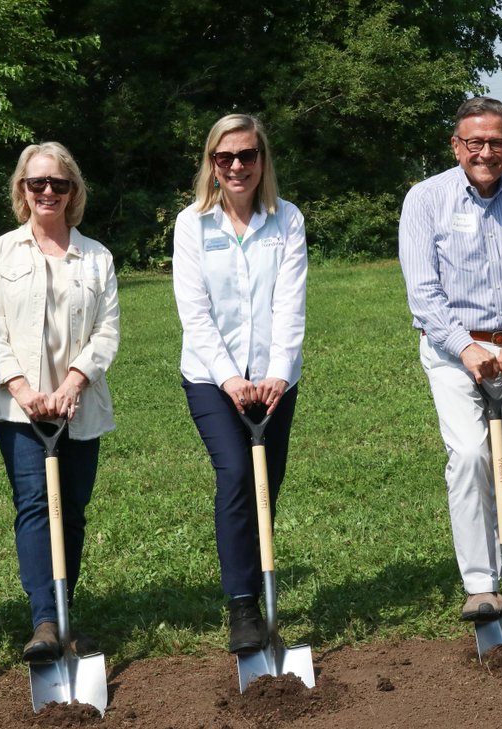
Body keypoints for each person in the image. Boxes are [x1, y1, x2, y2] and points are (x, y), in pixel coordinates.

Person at [398, 97, 502, 623]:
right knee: (470, 456)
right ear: (456, 145)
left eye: (496, 142)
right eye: (475, 142)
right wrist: (465, 347)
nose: (486, 152)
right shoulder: (426, 199)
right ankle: (480, 586)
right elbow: (422, 289)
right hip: (453, 351)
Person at [0, 142, 120, 661]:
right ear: (23, 189)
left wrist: (72, 385)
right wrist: (24, 391)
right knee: (36, 505)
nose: (48, 192)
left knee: (72, 510)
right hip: (20, 408)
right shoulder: (0, 253)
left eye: (59, 183)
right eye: (37, 183)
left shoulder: (97, 256)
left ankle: (63, 610)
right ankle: (44, 621)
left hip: (79, 404)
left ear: (73, 190)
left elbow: (107, 332)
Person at [172, 114, 307, 655]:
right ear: (211, 163)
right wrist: (229, 377)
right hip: (211, 377)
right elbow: (194, 311)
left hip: (274, 378)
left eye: (247, 155)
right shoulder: (192, 225)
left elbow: (290, 304)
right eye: (224, 157)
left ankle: (257, 582)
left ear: (262, 160)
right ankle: (244, 606)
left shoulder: (287, 219)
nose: (236, 166)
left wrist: (278, 373)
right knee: (234, 476)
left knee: (266, 484)